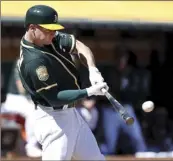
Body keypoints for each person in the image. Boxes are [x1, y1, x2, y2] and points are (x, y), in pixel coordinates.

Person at [17, 5, 108, 160]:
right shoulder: (33, 61)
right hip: (53, 119)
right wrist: (89, 92)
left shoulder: (46, 37)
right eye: (48, 30)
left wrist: (93, 69)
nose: (53, 33)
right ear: (32, 28)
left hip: (71, 115)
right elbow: (54, 97)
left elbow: (79, 46)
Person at [1, 61, 42, 157]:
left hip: (25, 99)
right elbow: (22, 88)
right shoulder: (21, 62)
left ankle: (39, 144)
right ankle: (31, 145)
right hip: (14, 99)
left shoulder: (41, 61)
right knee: (32, 110)